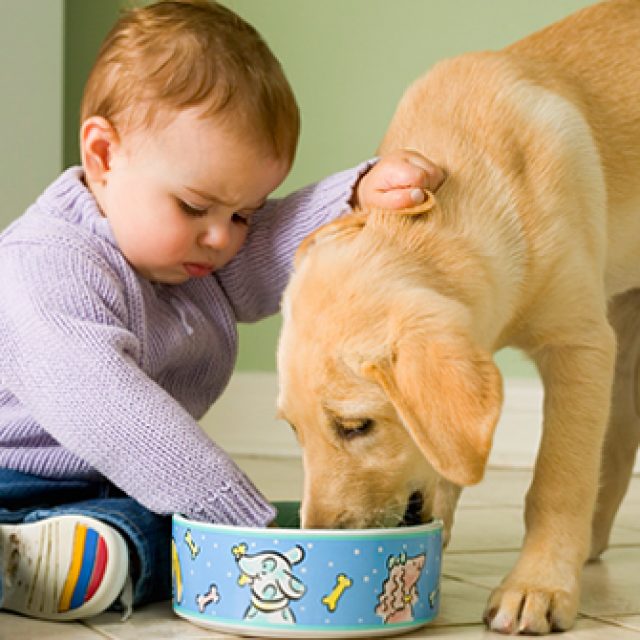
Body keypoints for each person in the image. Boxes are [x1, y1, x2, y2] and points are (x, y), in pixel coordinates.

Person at [0, 0, 444, 622]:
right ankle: (28, 555)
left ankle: (71, 557)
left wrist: (358, 198)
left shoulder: (191, 254)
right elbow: (107, 410)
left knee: (169, 532)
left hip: (117, 487)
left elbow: (279, 244)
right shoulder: (47, 265)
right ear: (103, 156)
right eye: (194, 207)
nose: (220, 237)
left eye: (242, 214)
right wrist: (234, 511)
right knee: (208, 526)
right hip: (13, 474)